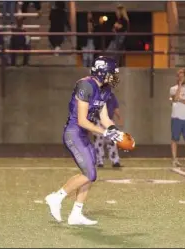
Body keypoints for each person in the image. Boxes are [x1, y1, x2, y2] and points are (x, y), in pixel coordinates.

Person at [45, 56, 125, 226]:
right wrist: (105, 133)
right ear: (103, 72)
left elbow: (104, 118)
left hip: (83, 135)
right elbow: (82, 121)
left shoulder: (105, 89)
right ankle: (56, 197)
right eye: (112, 73)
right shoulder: (86, 85)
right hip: (73, 132)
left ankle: (76, 214)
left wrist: (115, 131)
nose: (114, 76)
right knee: (90, 173)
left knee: (89, 173)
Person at [169, 68, 185, 167]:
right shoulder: (173, 89)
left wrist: (181, 100)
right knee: (174, 139)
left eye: (182, 76)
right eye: (179, 76)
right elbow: (174, 99)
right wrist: (179, 87)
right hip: (176, 117)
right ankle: (175, 159)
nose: (180, 77)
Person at [94, 91, 123, 168]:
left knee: (112, 142)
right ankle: (99, 161)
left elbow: (115, 107)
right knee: (98, 142)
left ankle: (115, 161)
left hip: (109, 121)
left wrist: (119, 117)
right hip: (98, 121)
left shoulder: (111, 95)